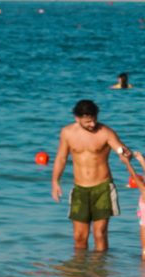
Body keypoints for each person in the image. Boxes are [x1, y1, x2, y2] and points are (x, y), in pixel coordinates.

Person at [52, 99, 143, 252]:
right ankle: (79, 273)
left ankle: (99, 272)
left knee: (99, 234)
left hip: (102, 188)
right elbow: (61, 158)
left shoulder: (105, 132)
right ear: (77, 118)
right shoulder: (67, 133)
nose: (92, 125)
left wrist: (126, 153)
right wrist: (55, 181)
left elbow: (121, 150)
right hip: (80, 189)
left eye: (94, 120)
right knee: (79, 237)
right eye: (88, 122)